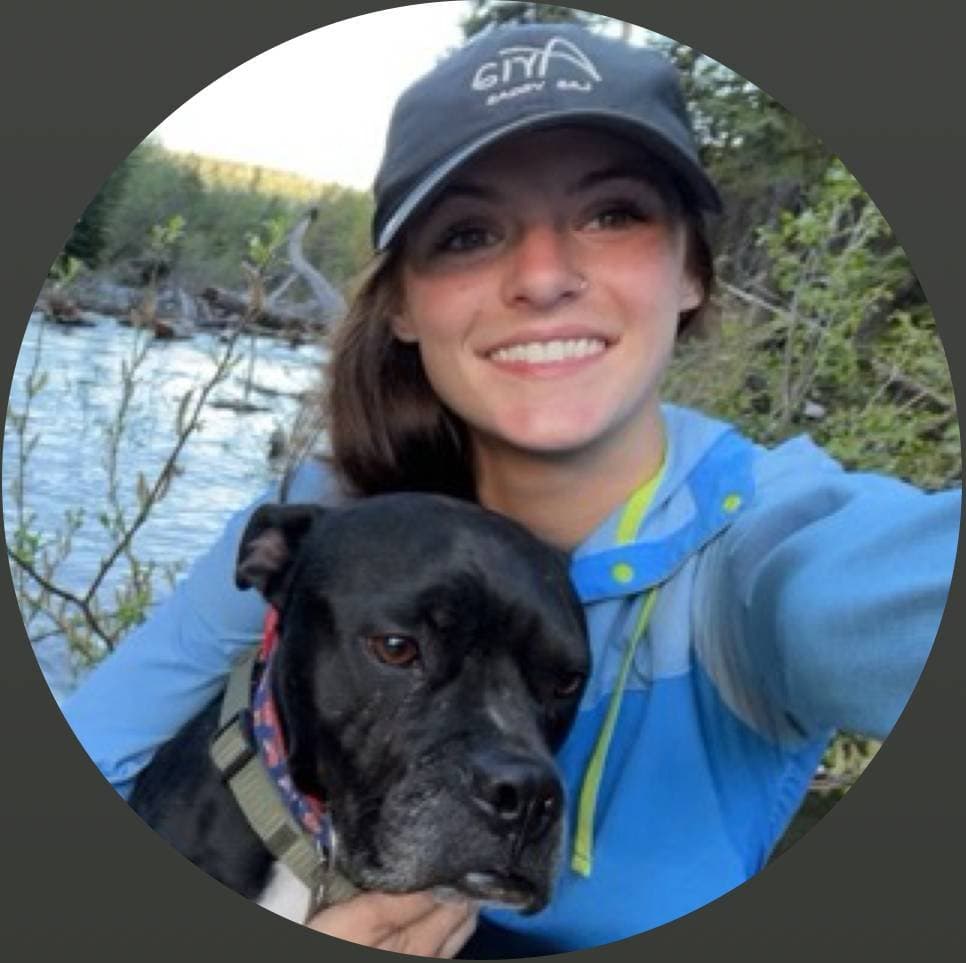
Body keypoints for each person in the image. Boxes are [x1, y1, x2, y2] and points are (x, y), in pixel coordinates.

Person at [60, 22, 959, 957]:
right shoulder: (334, 523)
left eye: (612, 214)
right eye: (469, 233)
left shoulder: (762, 557)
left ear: (693, 269)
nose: (542, 276)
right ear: (401, 303)